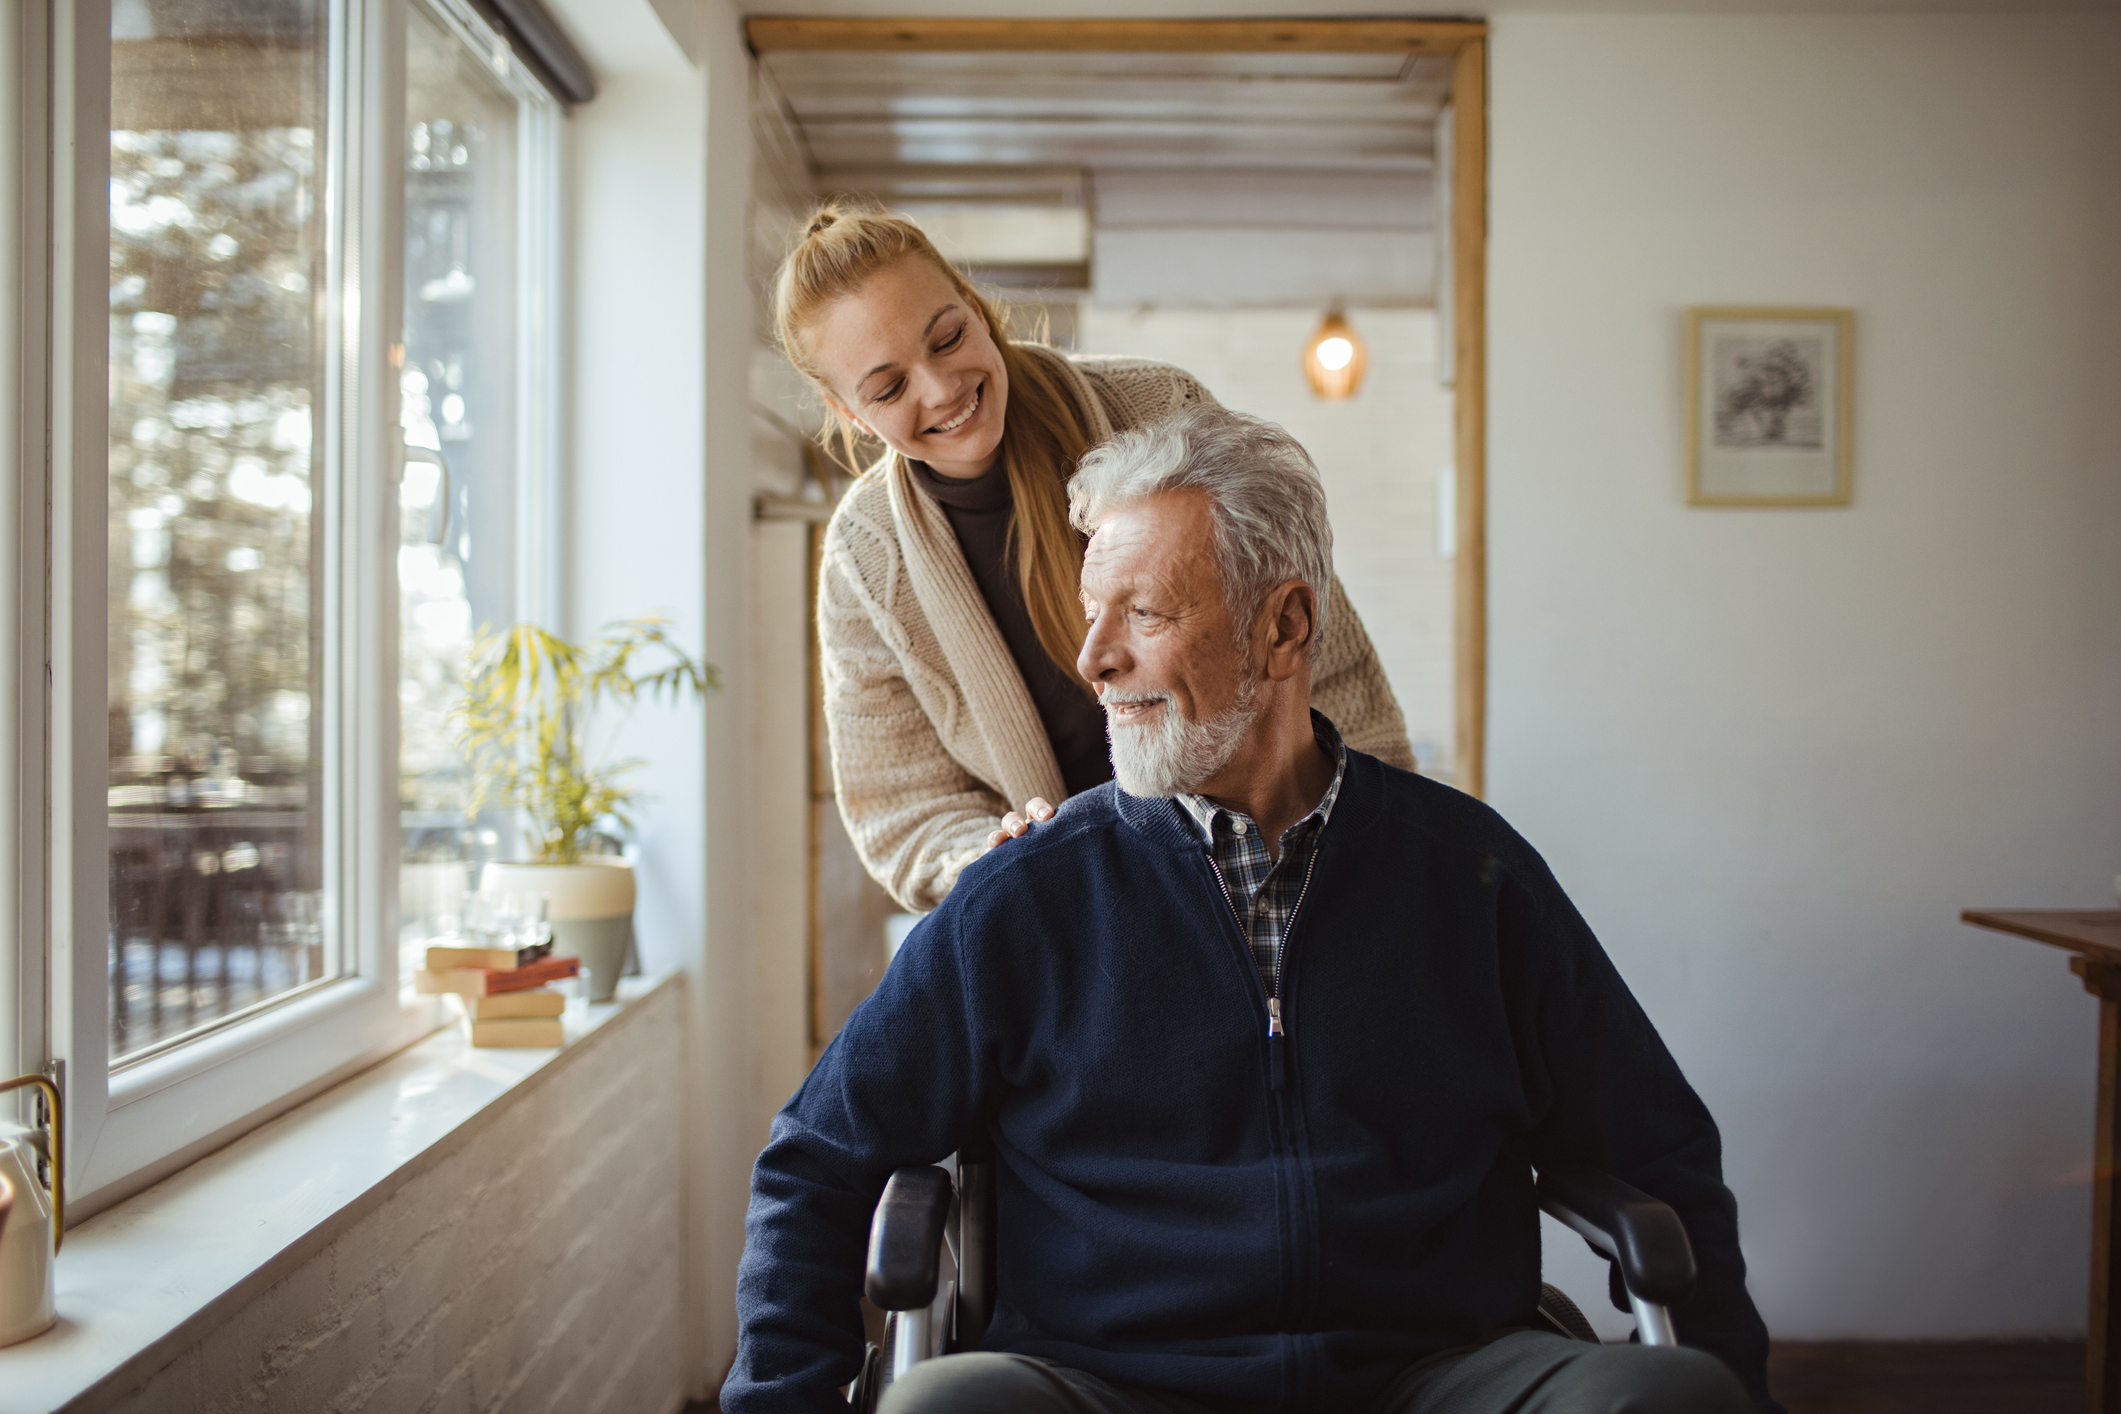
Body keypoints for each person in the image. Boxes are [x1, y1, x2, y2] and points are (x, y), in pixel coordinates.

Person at [725, 406, 1782, 1414]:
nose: (1093, 657)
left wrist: (1735, 1375)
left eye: (1142, 612)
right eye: (1092, 615)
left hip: (1437, 1371)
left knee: (1674, 1398)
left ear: (1283, 625)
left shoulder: (1468, 873)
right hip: (1105, 1379)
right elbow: (817, 1160)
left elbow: (1660, 1148)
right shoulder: (1031, 894)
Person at [775, 204, 1414, 912]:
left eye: (948, 338)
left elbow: (1317, 653)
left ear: (976, 306)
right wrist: (984, 853)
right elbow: (903, 807)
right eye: (888, 388)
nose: (940, 388)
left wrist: (1377, 838)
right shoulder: (863, 559)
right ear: (850, 414)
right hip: (1077, 915)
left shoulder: (1159, 407)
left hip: (1273, 864)